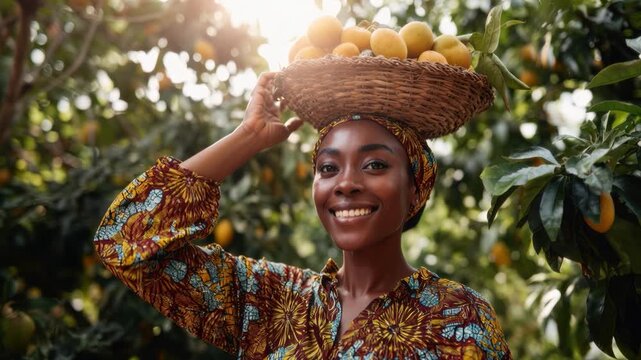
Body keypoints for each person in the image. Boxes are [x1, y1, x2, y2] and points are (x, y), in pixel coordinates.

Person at [94, 71, 512, 359]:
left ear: (416, 187)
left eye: (375, 165)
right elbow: (125, 241)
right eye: (328, 168)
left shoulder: (459, 318)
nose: (345, 183)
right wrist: (247, 138)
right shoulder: (270, 300)